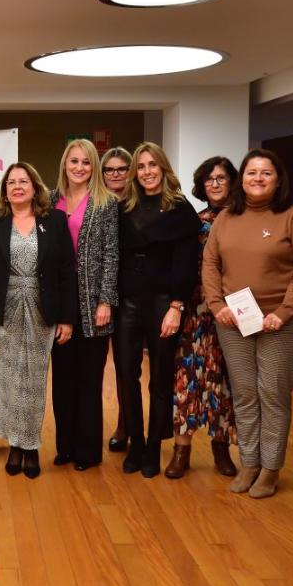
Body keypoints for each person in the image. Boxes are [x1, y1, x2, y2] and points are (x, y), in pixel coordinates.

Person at [203, 149, 293, 499]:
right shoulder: (227, 218)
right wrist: (216, 304)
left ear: (278, 179)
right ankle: (249, 462)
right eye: (252, 172)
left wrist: (283, 312)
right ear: (243, 179)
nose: (258, 178)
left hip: (281, 322)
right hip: (233, 320)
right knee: (244, 393)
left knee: (272, 393)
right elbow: (210, 263)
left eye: (266, 173)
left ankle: (270, 469)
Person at [0, 162, 76, 479]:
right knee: (7, 380)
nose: (18, 186)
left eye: (24, 181)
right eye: (11, 182)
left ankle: (30, 447)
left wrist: (67, 319)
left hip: (42, 307)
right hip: (3, 309)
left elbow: (65, 272)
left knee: (32, 380)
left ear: (35, 187)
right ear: (5, 190)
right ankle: (14, 446)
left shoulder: (55, 221)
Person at [116, 143, 200, 477]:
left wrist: (177, 306)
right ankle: (135, 442)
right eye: (141, 166)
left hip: (164, 301)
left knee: (160, 378)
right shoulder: (124, 208)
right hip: (128, 300)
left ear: (164, 169)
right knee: (126, 374)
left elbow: (186, 264)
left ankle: (154, 445)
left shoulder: (180, 209)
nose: (148, 172)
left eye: (153, 165)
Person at [49, 139, 119, 472]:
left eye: (86, 162)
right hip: (60, 302)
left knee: (89, 379)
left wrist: (106, 299)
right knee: (62, 378)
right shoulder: (51, 201)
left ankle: (87, 451)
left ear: (94, 167)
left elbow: (111, 255)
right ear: (65, 164)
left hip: (93, 303)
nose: (79, 167)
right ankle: (65, 447)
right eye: (74, 161)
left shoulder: (106, 203)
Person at [166, 156, 238, 479]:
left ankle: (221, 449)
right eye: (210, 179)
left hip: (232, 312)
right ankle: (181, 450)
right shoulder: (194, 221)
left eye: (222, 177)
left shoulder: (243, 220)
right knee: (187, 378)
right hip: (195, 312)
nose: (215, 183)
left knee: (224, 382)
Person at [101, 146, 133, 453]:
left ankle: (127, 425)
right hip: (100, 295)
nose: (115, 175)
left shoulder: (137, 205)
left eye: (121, 169)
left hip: (133, 295)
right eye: (109, 170)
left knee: (126, 367)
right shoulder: (98, 204)